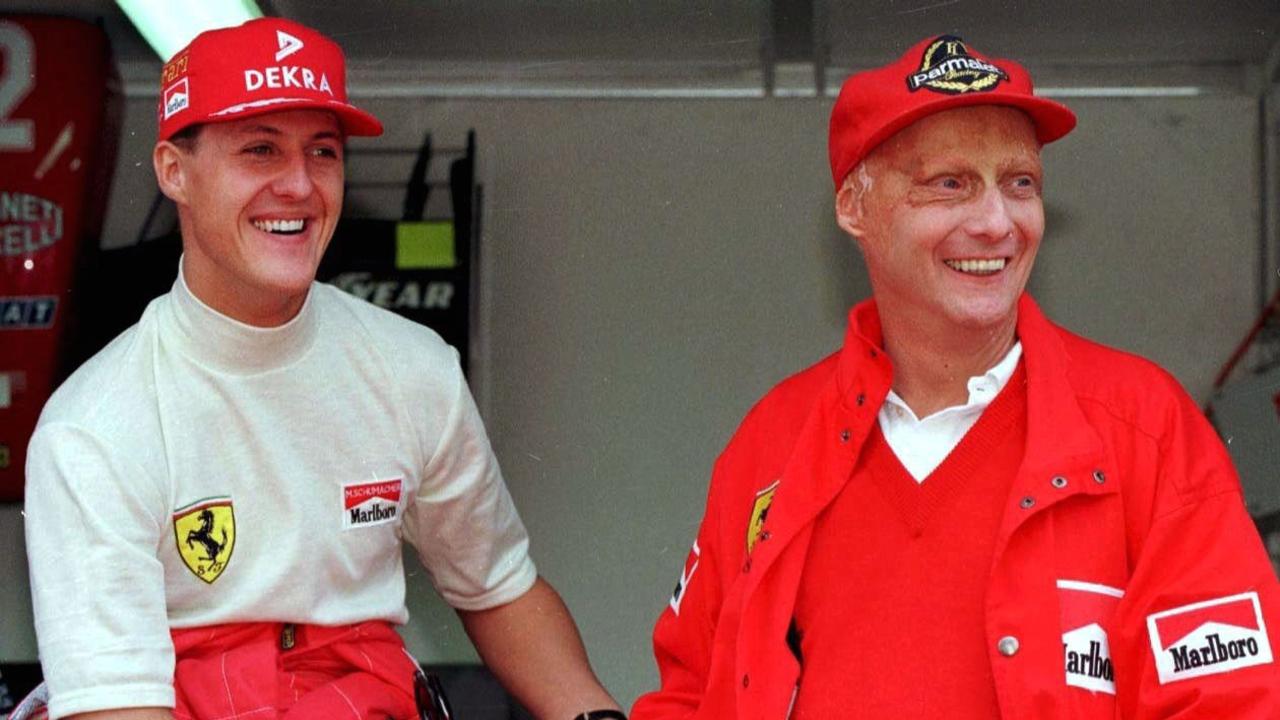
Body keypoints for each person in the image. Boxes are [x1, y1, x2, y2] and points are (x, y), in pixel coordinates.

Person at [631, 35, 1280, 720]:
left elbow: (1235, 701)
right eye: (951, 184)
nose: (997, 222)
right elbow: (689, 694)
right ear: (855, 207)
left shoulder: (1145, 428)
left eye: (1019, 183)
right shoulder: (775, 443)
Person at [22, 17, 624, 720]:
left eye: (324, 153)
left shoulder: (412, 369)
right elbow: (116, 705)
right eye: (260, 150)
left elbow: (497, 587)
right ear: (173, 172)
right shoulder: (93, 427)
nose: (300, 186)